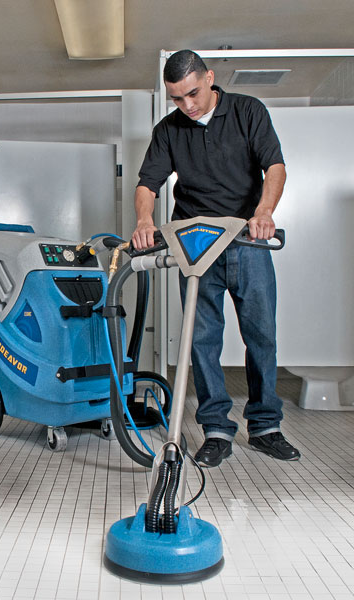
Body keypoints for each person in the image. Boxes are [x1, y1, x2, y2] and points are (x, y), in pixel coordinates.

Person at [132, 49, 300, 468]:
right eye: (177, 99)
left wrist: (264, 212)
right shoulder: (169, 129)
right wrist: (143, 219)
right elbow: (148, 182)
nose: (187, 106)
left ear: (209, 78)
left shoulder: (248, 111)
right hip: (194, 246)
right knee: (201, 338)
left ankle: (264, 427)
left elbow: (274, 167)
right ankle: (217, 430)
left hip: (246, 239)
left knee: (261, 335)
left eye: (192, 94)